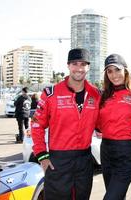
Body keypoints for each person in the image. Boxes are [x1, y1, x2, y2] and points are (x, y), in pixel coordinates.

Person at [31, 48, 100, 200]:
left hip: (85, 160)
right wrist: (42, 156)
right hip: (58, 161)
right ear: (68, 66)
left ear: (88, 67)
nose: (79, 68)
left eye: (83, 64)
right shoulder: (51, 93)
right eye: (75, 63)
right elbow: (36, 125)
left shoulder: (96, 94)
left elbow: (103, 120)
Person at [98, 54, 131, 199]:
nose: (114, 75)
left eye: (117, 69)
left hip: (126, 153)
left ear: (125, 71)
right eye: (109, 71)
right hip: (106, 151)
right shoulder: (103, 96)